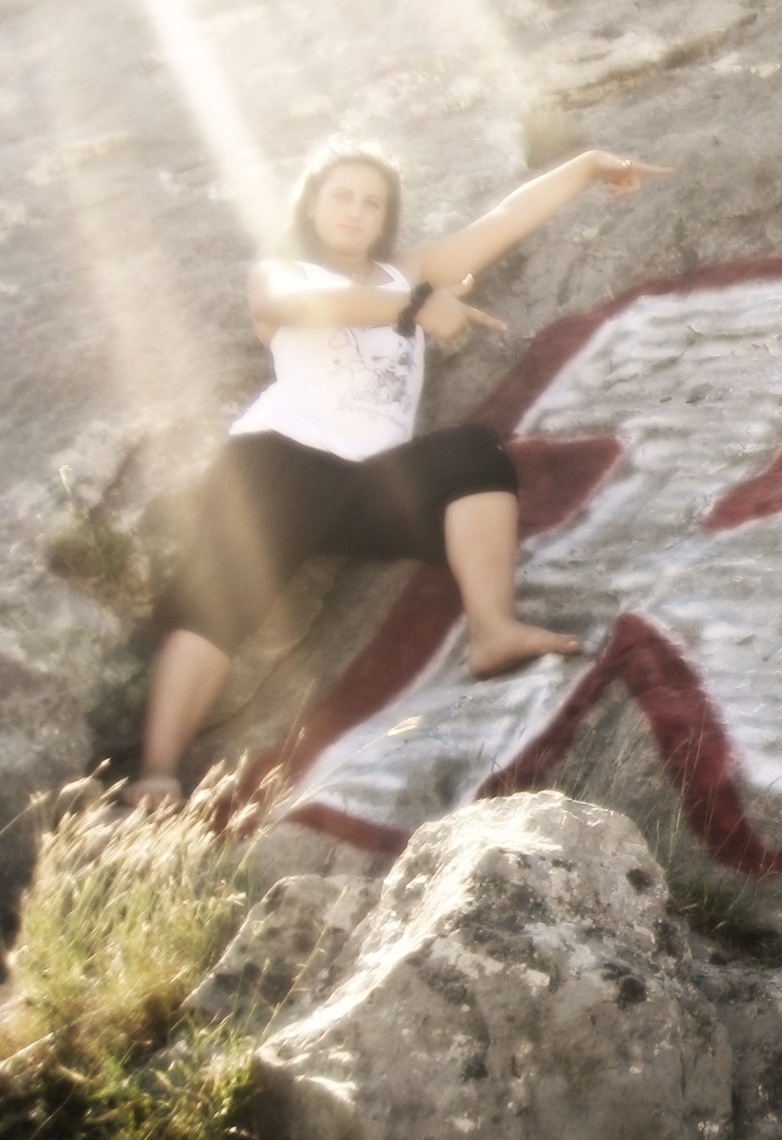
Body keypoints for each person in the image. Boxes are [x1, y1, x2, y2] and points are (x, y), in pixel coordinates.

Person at [130, 137, 668, 806]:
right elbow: (296, 306)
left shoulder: (407, 271)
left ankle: (493, 629)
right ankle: (156, 771)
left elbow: (503, 222)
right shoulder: (282, 271)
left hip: (372, 483)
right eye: (342, 197)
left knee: (473, 453)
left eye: (372, 202)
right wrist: (414, 306)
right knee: (218, 605)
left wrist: (586, 166)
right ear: (312, 206)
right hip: (280, 460)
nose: (356, 211)